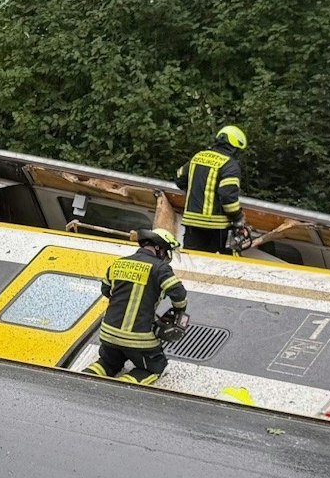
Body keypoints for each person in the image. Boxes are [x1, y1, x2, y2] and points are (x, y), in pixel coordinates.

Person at [85, 228, 189, 386]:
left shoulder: (118, 263)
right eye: (167, 252)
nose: (167, 257)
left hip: (108, 334)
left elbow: (106, 290)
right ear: (158, 248)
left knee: (107, 363)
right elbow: (179, 295)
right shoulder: (160, 268)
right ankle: (122, 387)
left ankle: (85, 379)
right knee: (155, 366)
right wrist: (179, 311)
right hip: (139, 340)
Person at [178, 125, 247, 253]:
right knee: (214, 263)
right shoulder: (230, 165)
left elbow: (180, 178)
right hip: (216, 227)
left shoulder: (197, 157)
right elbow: (227, 197)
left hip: (192, 222)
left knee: (191, 262)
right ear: (234, 147)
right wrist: (238, 217)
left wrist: (195, 192)